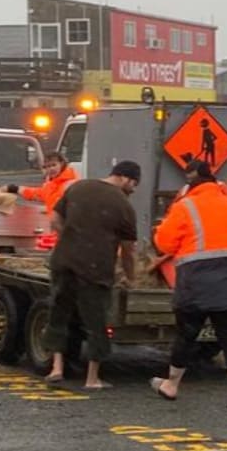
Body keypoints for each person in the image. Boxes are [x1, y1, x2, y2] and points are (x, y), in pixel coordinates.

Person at [149, 171, 227, 412]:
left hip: (196, 281)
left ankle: (171, 385)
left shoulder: (185, 206)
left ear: (191, 185)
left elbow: (164, 243)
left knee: (186, 335)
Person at [42, 161, 139, 389]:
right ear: (125, 178)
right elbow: (128, 249)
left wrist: (69, 237)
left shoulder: (78, 187)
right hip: (95, 268)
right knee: (96, 322)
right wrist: (130, 276)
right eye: (133, 184)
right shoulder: (124, 205)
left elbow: (55, 218)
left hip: (63, 261)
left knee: (59, 313)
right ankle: (92, 379)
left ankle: (56, 368)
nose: (133, 189)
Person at [5, 152, 78, 251]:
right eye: (47, 166)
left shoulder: (71, 183)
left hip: (67, 230)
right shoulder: (51, 184)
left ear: (62, 163)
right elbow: (38, 194)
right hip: (56, 229)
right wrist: (16, 189)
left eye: (53, 165)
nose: (50, 169)